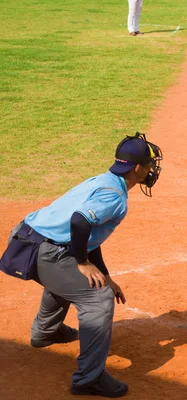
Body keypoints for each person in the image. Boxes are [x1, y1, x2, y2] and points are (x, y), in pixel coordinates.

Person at [0, 132, 163, 397]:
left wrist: (104, 273)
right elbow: (79, 222)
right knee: (98, 298)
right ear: (137, 168)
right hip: (40, 251)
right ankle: (89, 379)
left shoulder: (104, 180)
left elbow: (88, 235)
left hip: (27, 238)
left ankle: (46, 332)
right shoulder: (114, 197)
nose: (152, 169)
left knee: (81, 280)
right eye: (149, 164)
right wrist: (82, 262)